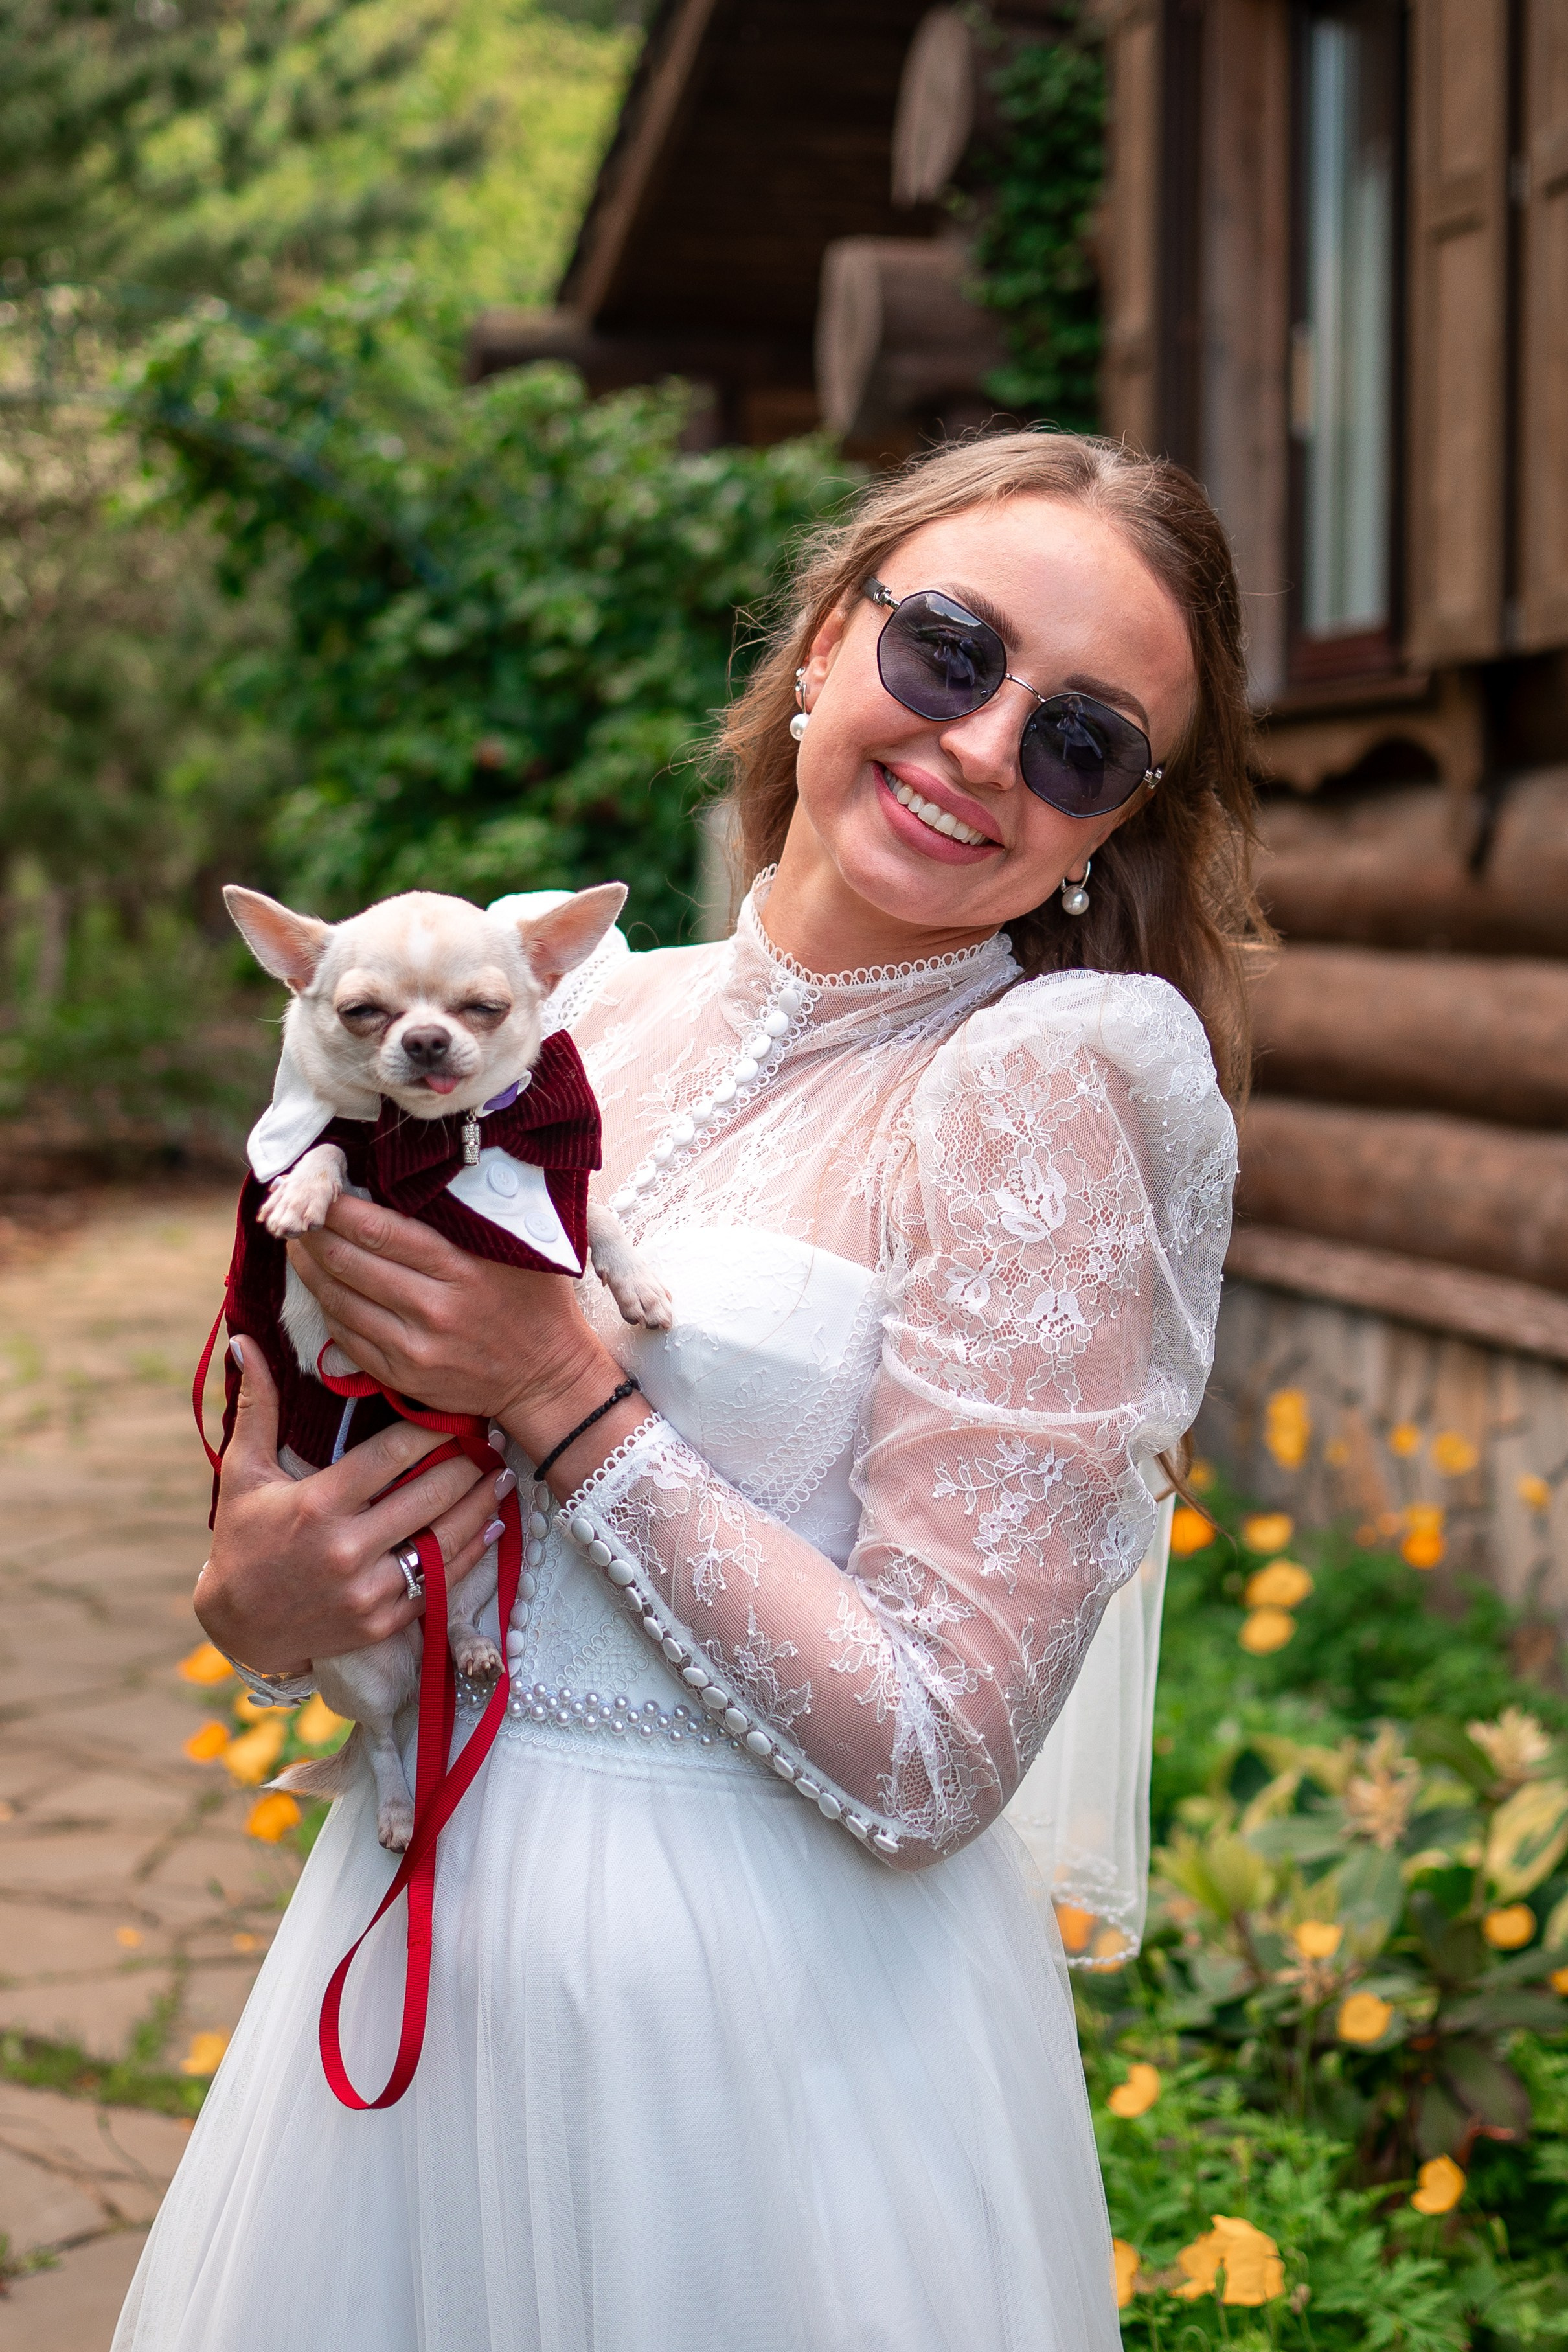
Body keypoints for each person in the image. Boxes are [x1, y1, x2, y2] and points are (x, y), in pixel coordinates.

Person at [115, 431, 1261, 2351]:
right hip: (420, 1971)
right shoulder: (573, 1021)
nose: (984, 748)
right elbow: (339, 1446)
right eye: (953, 651)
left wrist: (569, 1394)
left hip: (764, 2057)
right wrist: (261, 1603)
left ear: (1113, 823)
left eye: (1082, 743)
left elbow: (936, 1749)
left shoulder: (1043, 1086)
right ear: (828, 643)